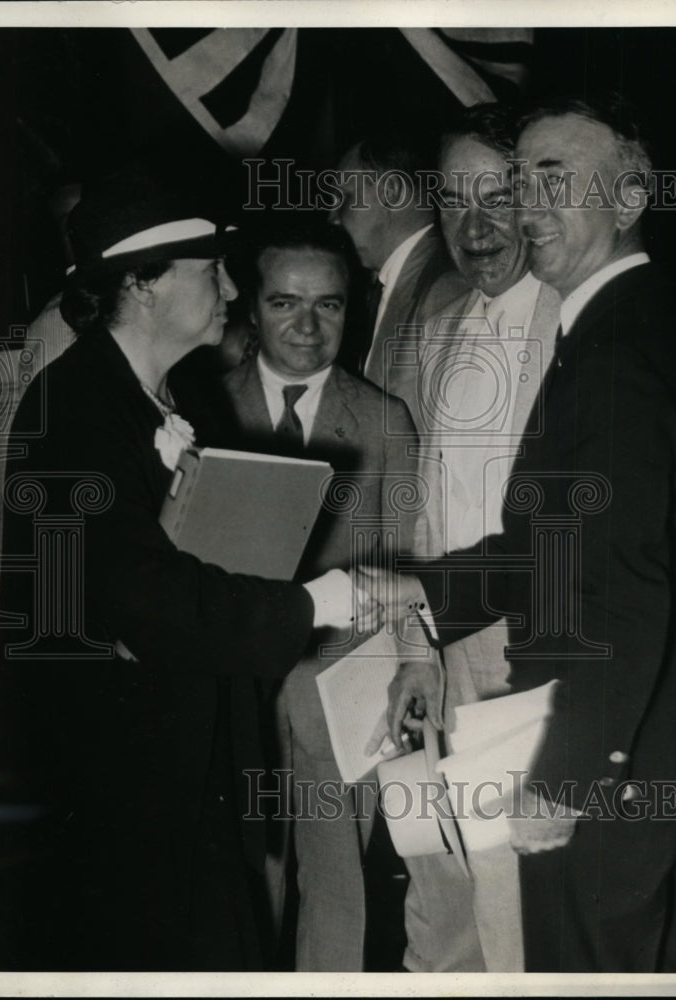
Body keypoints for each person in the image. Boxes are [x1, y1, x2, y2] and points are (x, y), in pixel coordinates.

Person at [362, 95, 676, 972]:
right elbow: (541, 540)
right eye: (515, 181)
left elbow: (616, 587)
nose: (514, 210)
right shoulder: (583, 327)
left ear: (627, 200)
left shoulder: (607, 345)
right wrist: (420, 607)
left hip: (586, 721)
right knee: (478, 926)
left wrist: (565, 774)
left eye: (545, 179)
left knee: (555, 946)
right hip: (539, 703)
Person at [0, 171, 365, 972]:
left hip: (178, 766)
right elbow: (140, 598)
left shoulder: (165, 398)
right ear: (141, 285)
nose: (233, 289)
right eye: (210, 270)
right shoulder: (75, 412)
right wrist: (320, 599)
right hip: (114, 785)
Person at [385, 103, 560, 973]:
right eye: (452, 199)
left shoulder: (571, 326)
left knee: (512, 911)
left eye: (495, 194)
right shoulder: (441, 326)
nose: (473, 223)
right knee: (438, 894)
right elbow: (418, 506)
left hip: (526, 658)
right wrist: (412, 647)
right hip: (439, 652)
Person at [222, 218, 418, 971]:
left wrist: (410, 664)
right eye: (284, 303)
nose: (307, 326)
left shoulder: (382, 422)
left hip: (342, 686)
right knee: (245, 881)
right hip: (233, 687)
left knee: (338, 886)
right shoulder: (201, 408)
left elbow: (405, 558)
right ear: (249, 306)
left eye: (329, 305)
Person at [328, 131, 467, 407]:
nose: (332, 218)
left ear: (391, 192)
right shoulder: (396, 283)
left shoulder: (447, 292)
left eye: (343, 198)